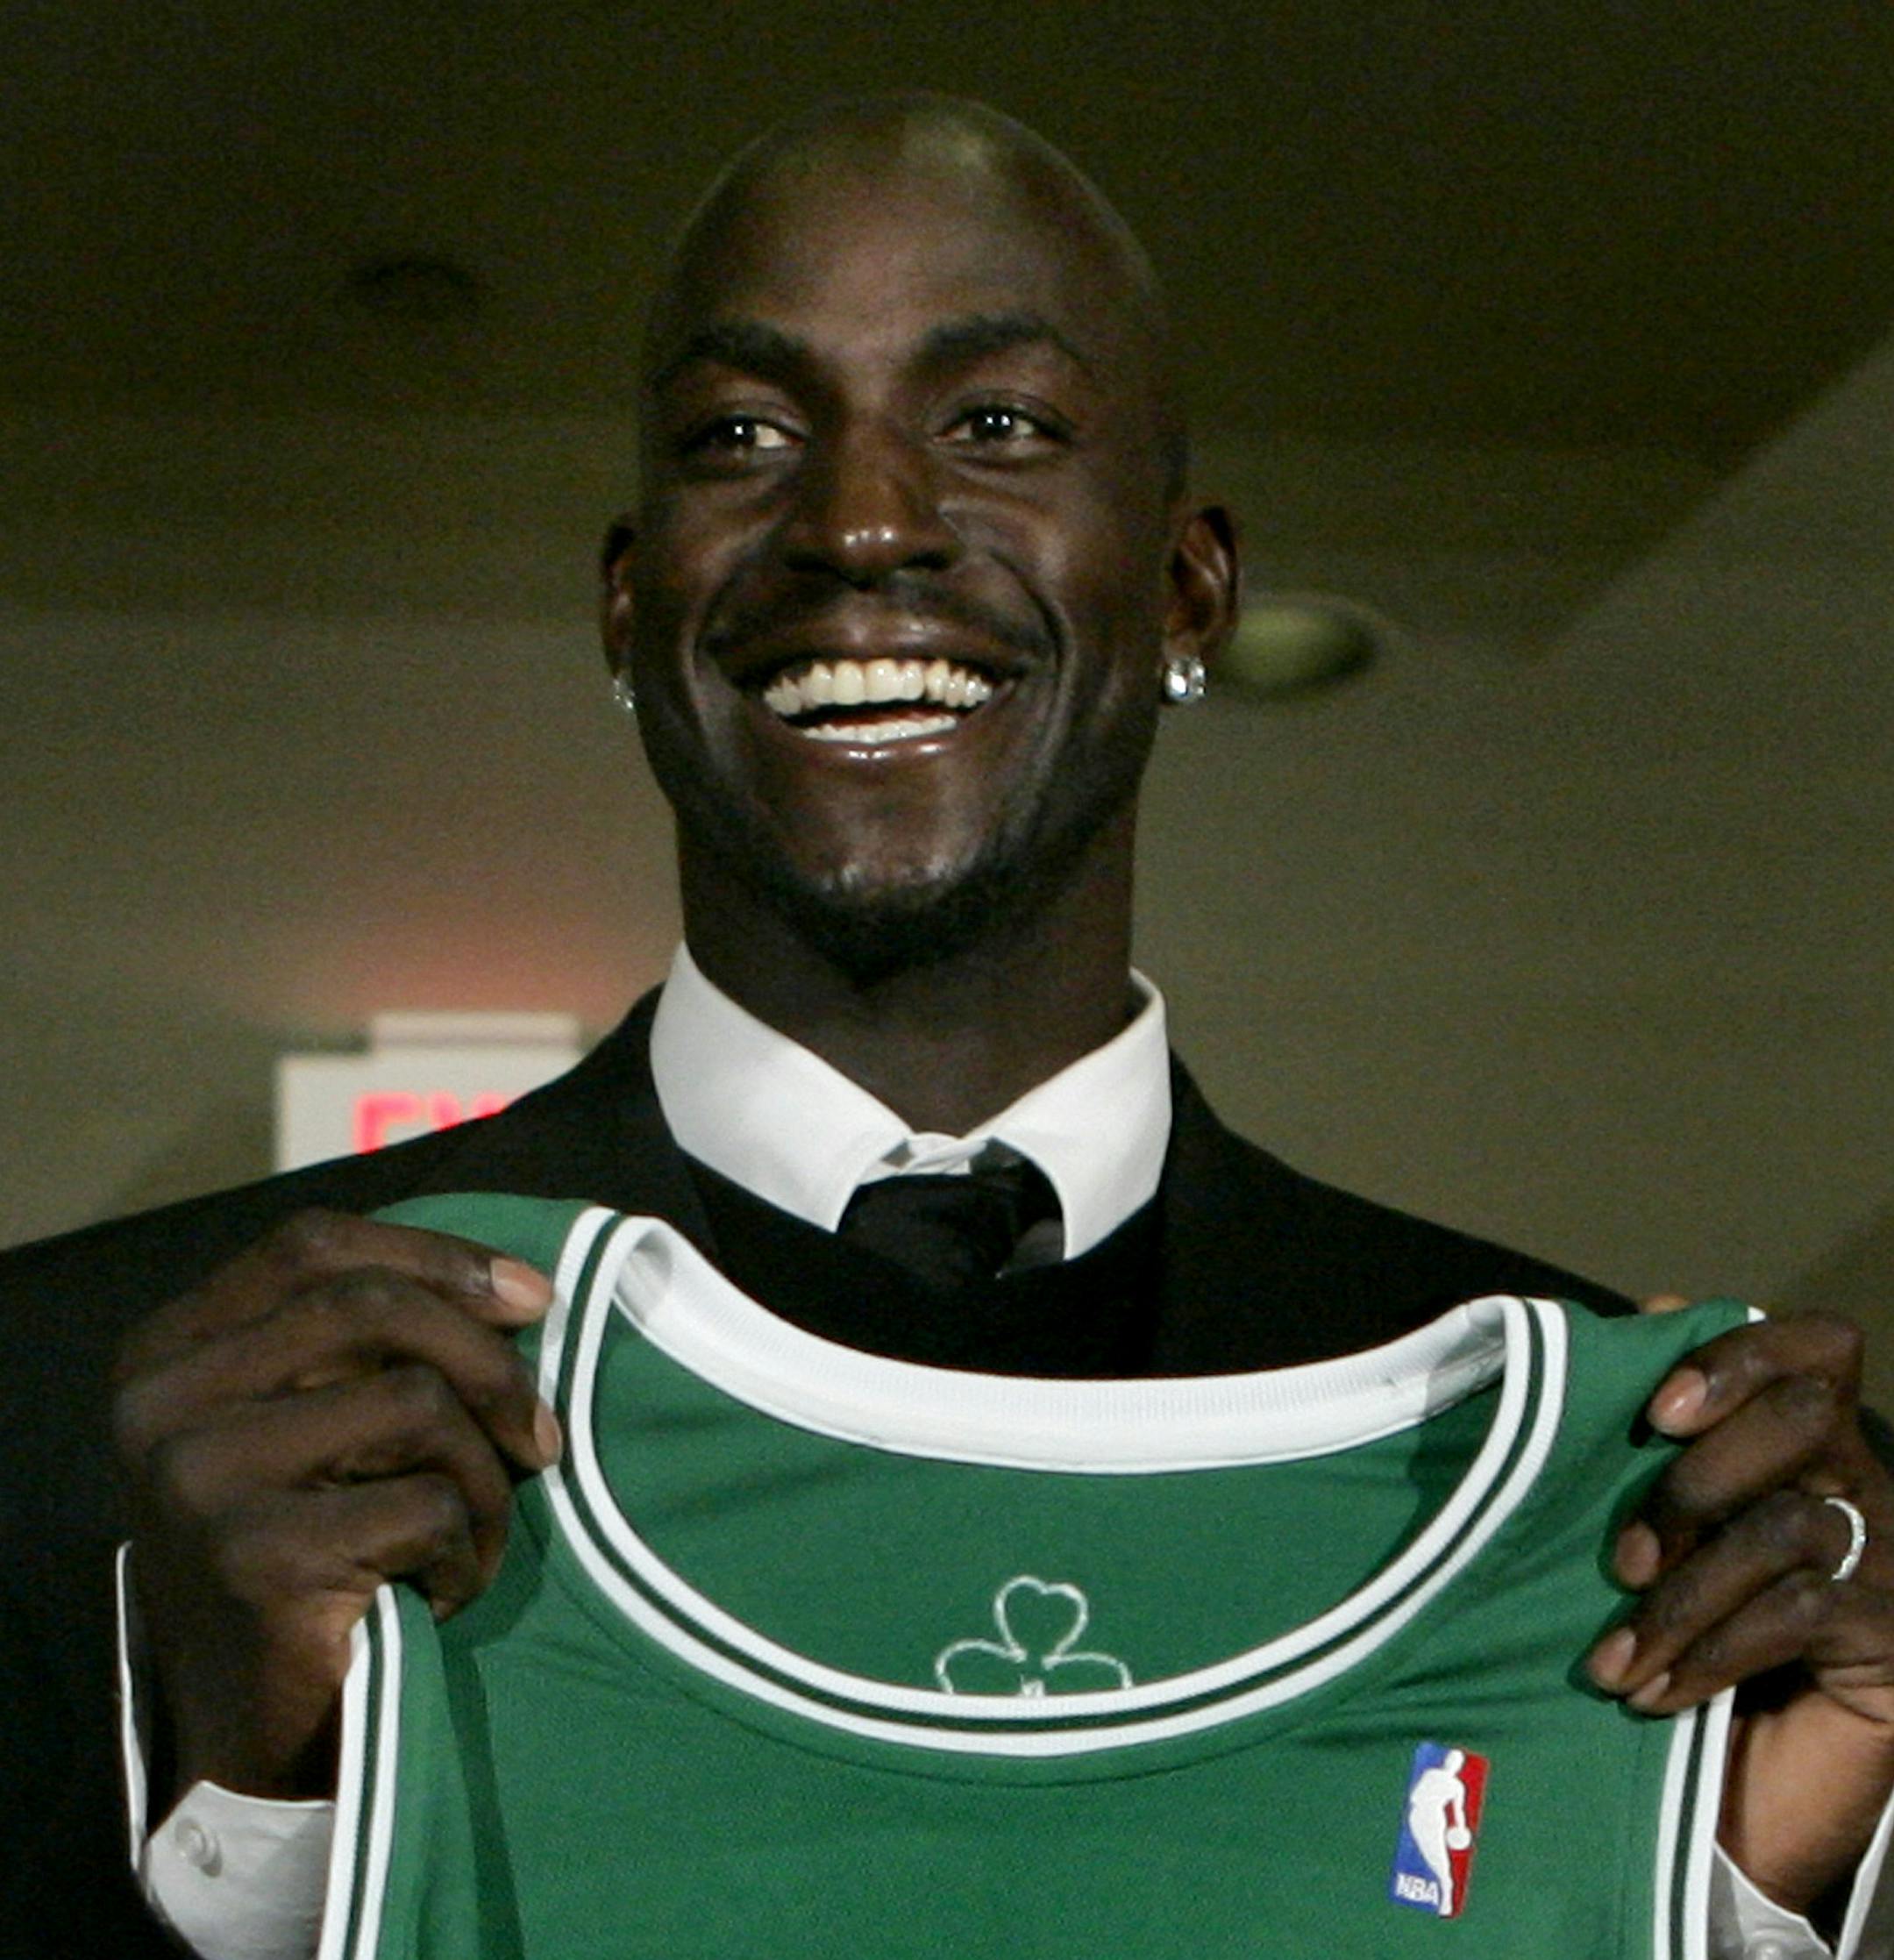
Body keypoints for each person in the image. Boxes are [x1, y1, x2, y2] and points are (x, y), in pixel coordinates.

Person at [3, 93, 1891, 1958]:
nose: (863, 522)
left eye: (996, 425)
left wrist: (1772, 1890)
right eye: (740, 434)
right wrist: (240, 1833)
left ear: (1189, 586)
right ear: (625, 599)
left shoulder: (1638, 1514)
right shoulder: (76, 1414)